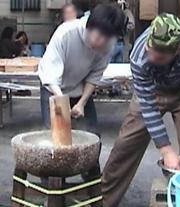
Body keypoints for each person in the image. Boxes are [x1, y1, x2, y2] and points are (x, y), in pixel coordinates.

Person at [102, 13, 180, 206]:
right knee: (125, 146)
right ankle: (103, 202)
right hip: (152, 91)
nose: (150, 56)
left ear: (178, 50)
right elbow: (148, 105)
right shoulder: (140, 56)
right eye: (150, 50)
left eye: (158, 56)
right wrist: (165, 149)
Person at [38, 4, 126, 206]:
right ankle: (52, 190)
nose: (101, 42)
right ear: (89, 24)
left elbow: (95, 76)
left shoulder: (108, 43)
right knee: (54, 137)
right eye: (98, 35)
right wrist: (63, 104)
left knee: (92, 136)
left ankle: (92, 187)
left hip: (79, 87)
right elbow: (51, 75)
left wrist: (81, 103)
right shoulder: (66, 33)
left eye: (107, 38)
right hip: (52, 86)